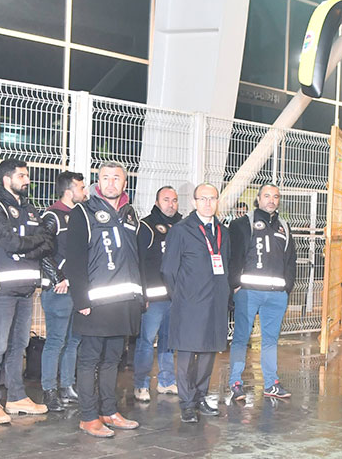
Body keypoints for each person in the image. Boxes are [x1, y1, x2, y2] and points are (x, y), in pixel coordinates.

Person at [64, 162, 143, 438]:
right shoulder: (83, 213)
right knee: (89, 360)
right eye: (105, 178)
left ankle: (109, 410)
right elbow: (73, 259)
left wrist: (139, 295)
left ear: (125, 183)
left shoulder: (131, 215)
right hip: (95, 304)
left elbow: (134, 259)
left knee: (112, 360)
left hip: (124, 302)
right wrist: (81, 299)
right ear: (98, 182)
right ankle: (88, 416)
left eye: (116, 178)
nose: (111, 183)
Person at [0, 158, 55, 424]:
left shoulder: (30, 209)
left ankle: (16, 397)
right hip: (1, 290)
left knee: (19, 345)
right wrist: (33, 244)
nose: (27, 180)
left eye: (27, 176)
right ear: (6, 179)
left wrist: (29, 245)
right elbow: (8, 243)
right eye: (21, 176)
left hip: (25, 289)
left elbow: (49, 243)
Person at [162, 183, 231, 423]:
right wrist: (180, 297)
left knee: (208, 351)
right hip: (189, 303)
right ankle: (187, 402)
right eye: (203, 198)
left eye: (212, 198)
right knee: (187, 353)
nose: (208, 203)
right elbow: (168, 270)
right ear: (193, 202)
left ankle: (201, 396)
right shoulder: (182, 230)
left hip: (215, 303)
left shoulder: (222, 231)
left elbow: (226, 266)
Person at [228, 184, 297, 402]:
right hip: (248, 293)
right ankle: (235, 383)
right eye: (267, 196)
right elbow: (233, 256)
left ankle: (271, 384)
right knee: (240, 338)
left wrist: (287, 288)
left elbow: (290, 261)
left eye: (275, 196)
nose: (271, 200)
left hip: (276, 295)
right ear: (258, 199)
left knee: (270, 340)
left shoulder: (284, 226)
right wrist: (235, 285)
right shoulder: (242, 224)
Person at [39, 171, 87, 412]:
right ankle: (49, 391)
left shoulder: (80, 215)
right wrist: (60, 277)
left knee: (74, 340)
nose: (84, 191)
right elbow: (43, 251)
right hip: (59, 290)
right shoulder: (52, 216)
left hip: (77, 289)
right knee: (56, 341)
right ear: (69, 190)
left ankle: (67, 386)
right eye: (81, 187)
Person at [133, 186, 181, 402]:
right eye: (166, 199)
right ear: (157, 201)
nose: (171, 204)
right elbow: (139, 261)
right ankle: (141, 384)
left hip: (175, 298)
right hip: (153, 299)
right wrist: (142, 295)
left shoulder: (182, 226)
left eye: (174, 200)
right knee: (146, 342)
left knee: (168, 342)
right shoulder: (147, 226)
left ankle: (166, 381)